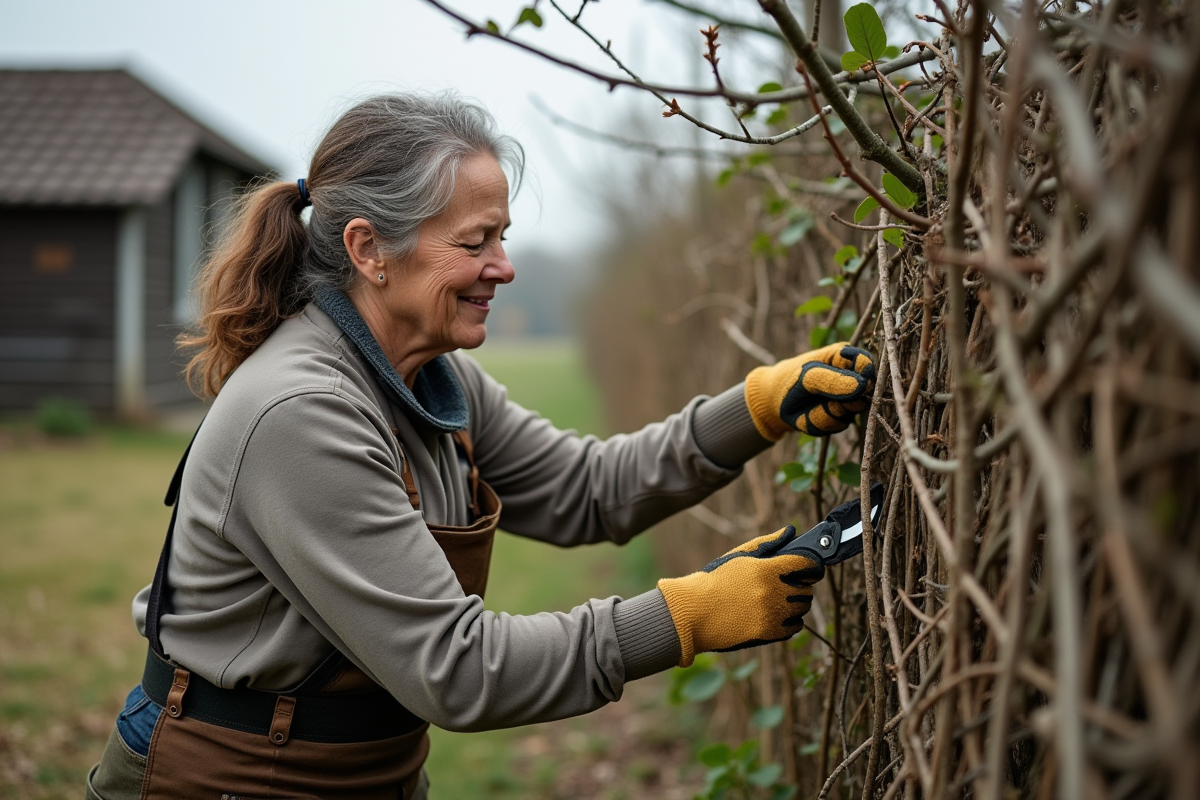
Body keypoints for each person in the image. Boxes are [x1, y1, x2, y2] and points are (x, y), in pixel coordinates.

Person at [85, 93, 876, 800]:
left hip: (363, 772)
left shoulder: (428, 375)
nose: (503, 266)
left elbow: (589, 489)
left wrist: (759, 406)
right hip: (234, 780)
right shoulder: (303, 412)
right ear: (369, 250)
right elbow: (457, 671)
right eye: (476, 241)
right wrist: (690, 617)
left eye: (501, 236)